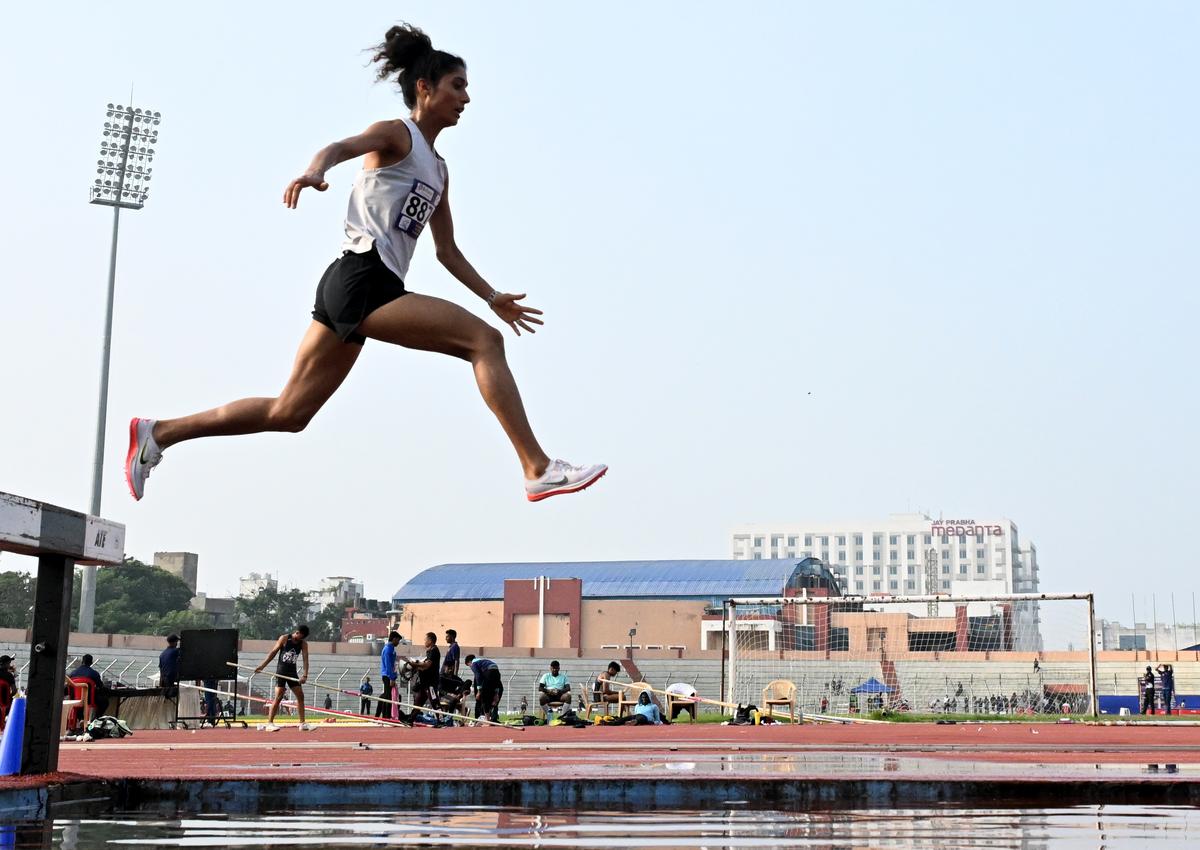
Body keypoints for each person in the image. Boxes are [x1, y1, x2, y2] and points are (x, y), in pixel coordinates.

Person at [124, 23, 606, 506]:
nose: (466, 97)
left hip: (359, 286)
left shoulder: (438, 169)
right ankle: (536, 468)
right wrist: (316, 170)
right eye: (457, 85)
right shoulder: (397, 135)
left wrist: (491, 295)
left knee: (289, 413)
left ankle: (159, 432)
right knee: (484, 342)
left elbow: (447, 250)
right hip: (363, 277)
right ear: (425, 88)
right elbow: (340, 147)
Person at [254, 624, 312, 731]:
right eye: (300, 636)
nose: (300, 639)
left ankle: (302, 723)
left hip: (292, 673)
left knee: (300, 695)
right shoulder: (284, 638)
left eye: (302, 638)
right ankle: (270, 723)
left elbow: (305, 659)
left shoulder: (303, 644)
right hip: (281, 672)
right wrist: (262, 666)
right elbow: (273, 653)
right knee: (279, 697)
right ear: (297, 632)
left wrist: (305, 675)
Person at [464, 654, 502, 721]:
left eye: (468, 665)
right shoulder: (482, 661)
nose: (470, 667)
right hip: (496, 671)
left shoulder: (474, 663)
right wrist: (496, 693)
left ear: (469, 662)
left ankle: (487, 720)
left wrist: (479, 691)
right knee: (491, 694)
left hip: (489, 672)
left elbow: (478, 675)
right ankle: (491, 714)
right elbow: (497, 681)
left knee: (483, 696)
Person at [411, 632, 441, 712]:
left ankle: (441, 720)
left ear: (430, 641)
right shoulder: (430, 651)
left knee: (434, 701)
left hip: (431, 683)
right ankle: (411, 719)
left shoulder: (434, 651)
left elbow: (427, 665)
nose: (424, 642)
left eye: (425, 640)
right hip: (425, 683)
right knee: (418, 702)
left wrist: (414, 664)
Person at [376, 632, 401, 720]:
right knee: (388, 698)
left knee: (389, 696)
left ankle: (385, 716)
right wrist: (391, 678)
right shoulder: (388, 649)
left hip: (390, 675)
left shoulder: (391, 648)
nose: (398, 642)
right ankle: (386, 717)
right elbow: (388, 665)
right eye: (398, 640)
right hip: (387, 676)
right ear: (394, 639)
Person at [0, 655, 16, 731]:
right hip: (4, 704)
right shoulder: (9, 676)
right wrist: (9, 696)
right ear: (6, 664)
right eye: (9, 663)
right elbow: (14, 690)